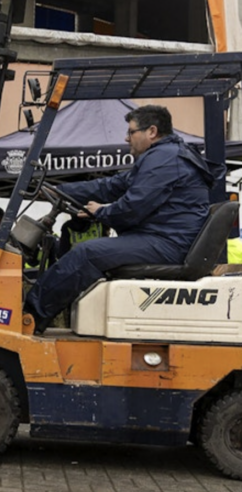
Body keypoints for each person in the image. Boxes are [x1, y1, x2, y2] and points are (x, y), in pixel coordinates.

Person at [24, 105, 217, 334]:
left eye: (131, 132)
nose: (127, 138)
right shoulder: (163, 156)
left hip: (168, 243)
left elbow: (133, 208)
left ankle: (29, 317)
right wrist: (58, 191)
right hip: (164, 238)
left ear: (152, 131)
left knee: (86, 254)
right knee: (87, 253)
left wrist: (100, 212)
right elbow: (111, 186)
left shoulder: (164, 159)